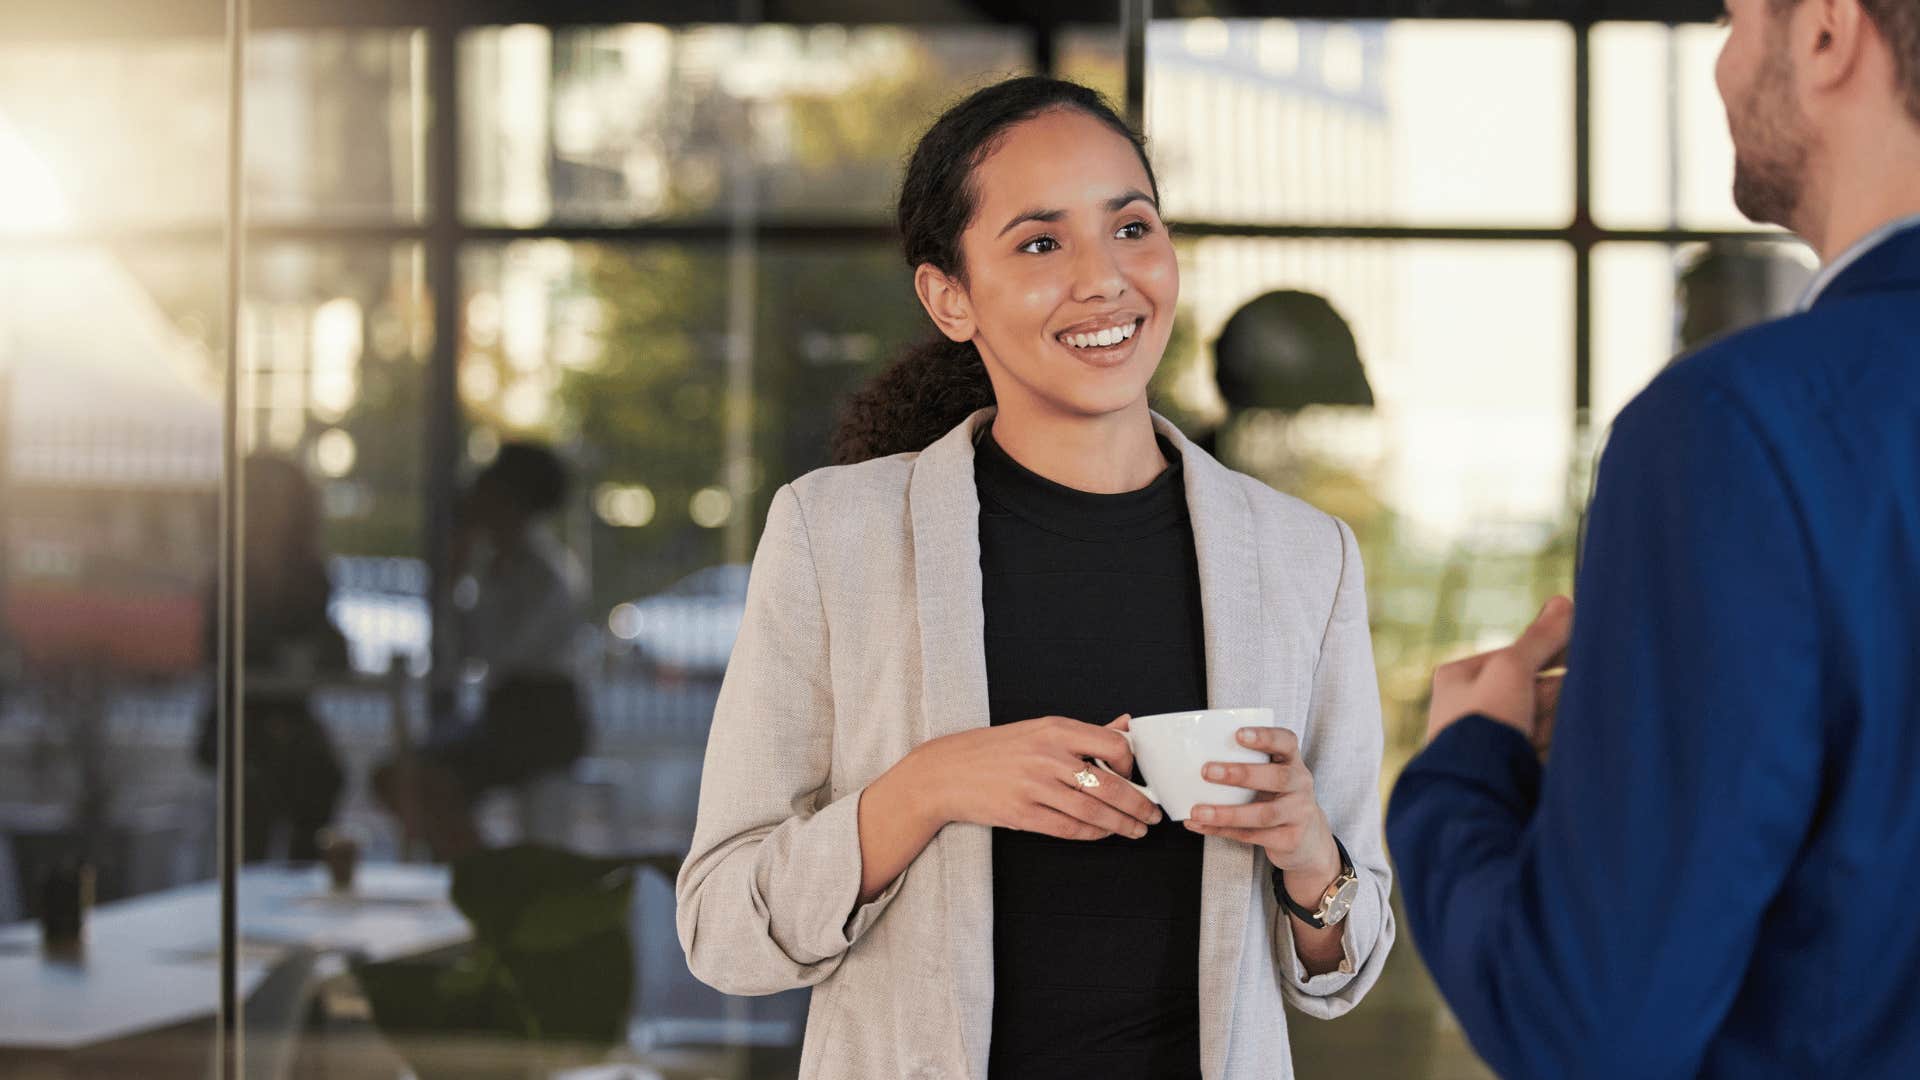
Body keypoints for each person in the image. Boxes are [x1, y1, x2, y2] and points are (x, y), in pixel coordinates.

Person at [675, 76, 1393, 1080]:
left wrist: (1308, 855)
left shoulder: (1305, 557)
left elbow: (1342, 966)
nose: (1105, 280)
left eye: (1132, 227)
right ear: (950, 296)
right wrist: (927, 788)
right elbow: (723, 929)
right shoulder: (834, 537)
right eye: (1041, 243)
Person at [1387, 2, 1920, 1076]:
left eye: (1731, 20)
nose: (1721, 66)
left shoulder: (1736, 428)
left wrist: (1463, 772)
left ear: (1825, 33)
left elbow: (1590, 1031)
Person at [375, 441, 589, 860]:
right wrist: (455, 581)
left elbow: (498, 653)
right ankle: (479, 875)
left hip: (543, 720)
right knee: (401, 778)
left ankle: (482, 879)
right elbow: (463, 653)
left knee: (420, 780)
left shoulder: (544, 574)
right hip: (507, 714)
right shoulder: (497, 568)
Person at [196, 454, 347, 863]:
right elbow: (217, 649)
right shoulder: (230, 572)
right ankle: (252, 888)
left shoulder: (308, 572)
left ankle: (298, 885)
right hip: (240, 720)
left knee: (321, 779)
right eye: (260, 499)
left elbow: (332, 646)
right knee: (256, 789)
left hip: (292, 718)